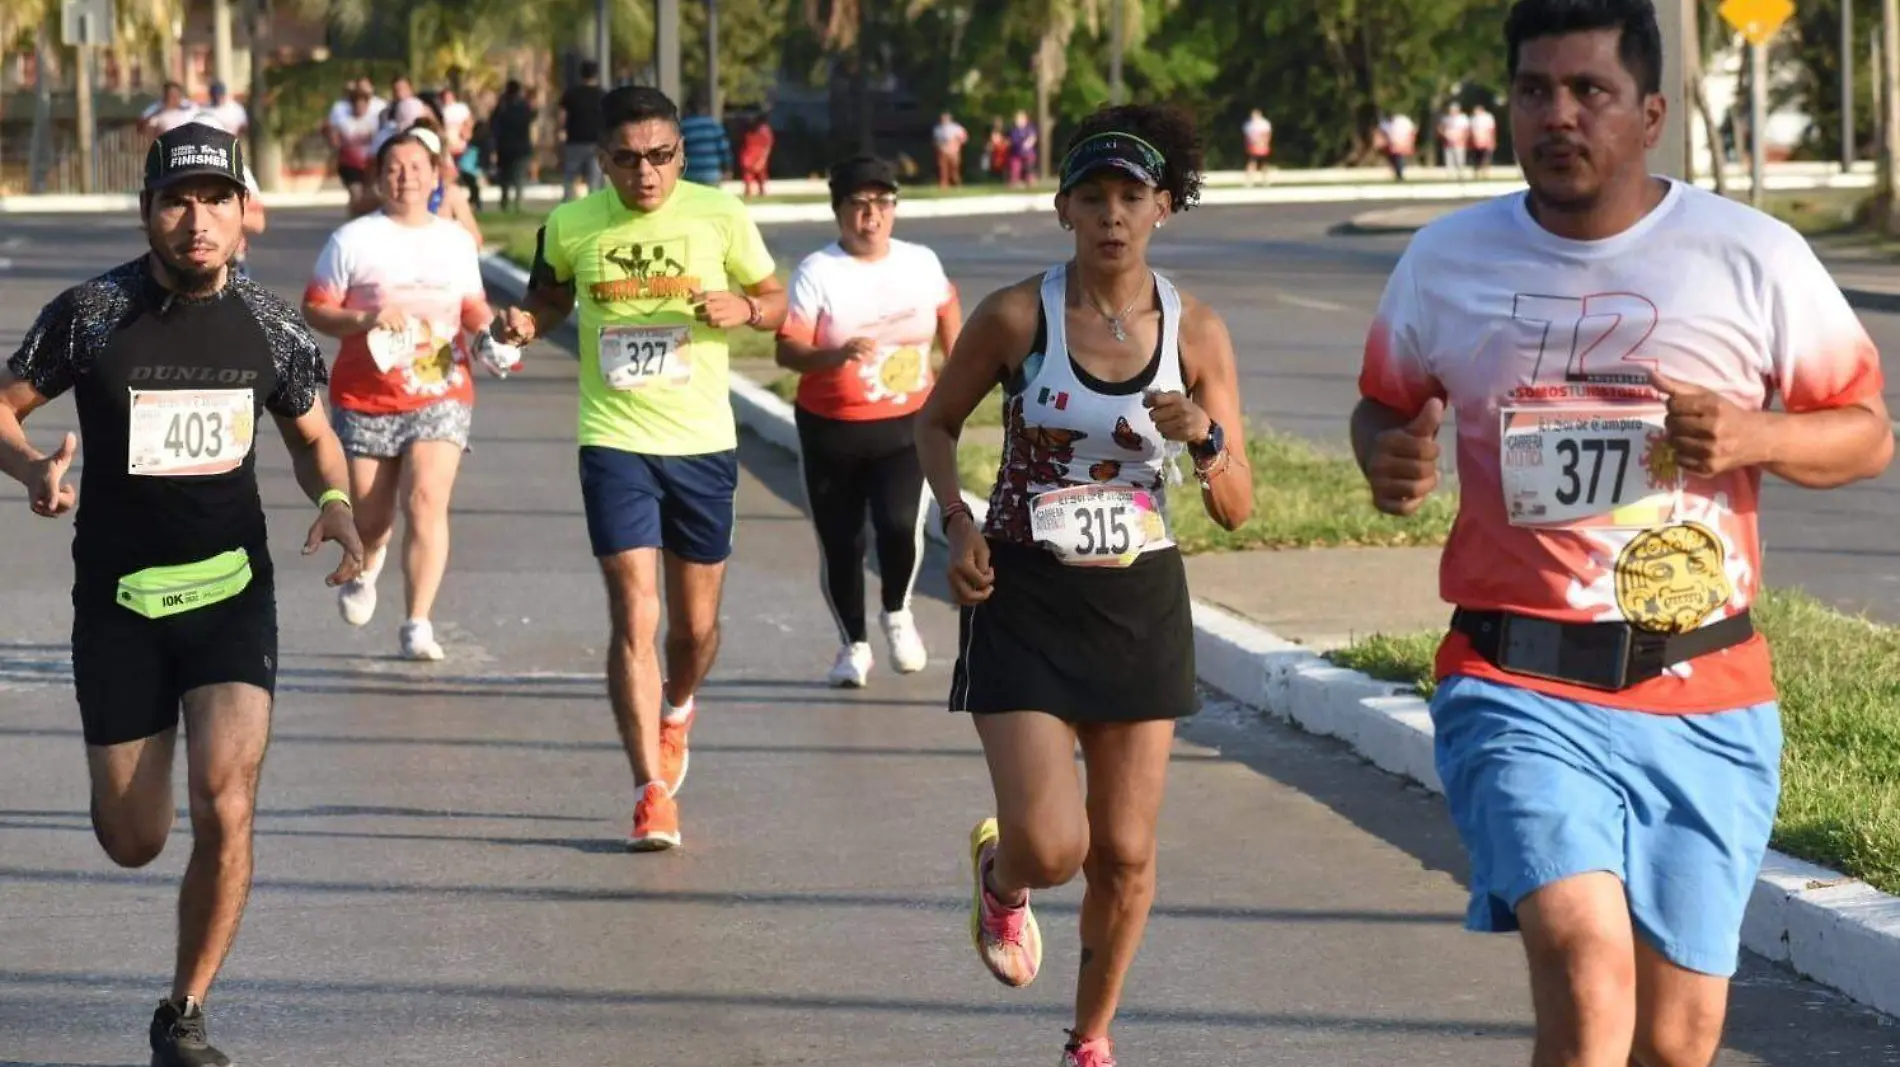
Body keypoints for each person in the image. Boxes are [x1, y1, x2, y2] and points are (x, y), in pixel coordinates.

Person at [1351, 2, 1893, 1066]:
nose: (1556, 116)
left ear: (1648, 113)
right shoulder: (1445, 258)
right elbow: (1384, 404)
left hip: (1707, 691)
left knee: (1677, 1041)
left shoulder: (1752, 256)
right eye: (1532, 91)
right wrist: (1387, 453)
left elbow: (1867, 435)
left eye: (1586, 92)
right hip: (1517, 681)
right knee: (1588, 966)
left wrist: (1753, 433)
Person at [0, 122, 363, 1067]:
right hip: (118, 604)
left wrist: (335, 501)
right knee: (132, 836)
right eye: (175, 200)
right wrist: (33, 466)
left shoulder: (269, 324)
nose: (195, 220)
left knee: (226, 800)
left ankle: (185, 1011)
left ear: (245, 213)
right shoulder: (90, 314)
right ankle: (139, 823)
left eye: (214, 200)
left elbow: (315, 440)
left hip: (231, 598)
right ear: (149, 213)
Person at [917, 104, 1253, 1067]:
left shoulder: (1198, 332)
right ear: (1063, 207)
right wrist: (956, 518)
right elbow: (934, 423)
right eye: (1094, 197)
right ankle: (1003, 873)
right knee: (1055, 846)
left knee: (1129, 854)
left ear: (1163, 210)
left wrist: (1208, 437)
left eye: (1133, 198)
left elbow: (1237, 507)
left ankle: (1090, 1041)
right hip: (1022, 594)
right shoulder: (1020, 314)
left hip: (1140, 603)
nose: (1114, 216)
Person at [490, 85, 787, 851]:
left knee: (692, 630)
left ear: (681, 155)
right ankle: (649, 790)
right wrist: (524, 322)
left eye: (660, 157)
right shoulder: (573, 224)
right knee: (636, 614)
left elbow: (777, 300)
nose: (646, 173)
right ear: (604, 161)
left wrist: (745, 311)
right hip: (613, 436)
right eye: (628, 159)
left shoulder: (720, 215)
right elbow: (548, 297)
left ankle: (678, 705)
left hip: (701, 443)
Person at [304, 127, 512, 662]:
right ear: (377, 177)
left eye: (417, 167)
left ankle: (418, 621)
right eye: (394, 168)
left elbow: (471, 307)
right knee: (371, 519)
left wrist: (493, 338)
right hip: (366, 393)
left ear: (436, 175)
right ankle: (368, 565)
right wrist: (365, 317)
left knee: (425, 500)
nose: (405, 177)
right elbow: (316, 308)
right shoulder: (352, 240)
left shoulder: (454, 241)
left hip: (440, 388)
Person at [777, 156, 961, 687]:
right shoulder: (819, 272)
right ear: (839, 213)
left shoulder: (920, 262)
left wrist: (961, 371)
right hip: (831, 426)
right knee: (842, 540)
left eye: (882, 204)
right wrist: (831, 358)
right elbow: (788, 350)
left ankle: (896, 612)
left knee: (900, 525)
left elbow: (948, 312)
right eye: (858, 205)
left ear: (895, 210)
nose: (871, 216)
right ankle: (852, 646)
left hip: (909, 424)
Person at [560, 60, 606, 200]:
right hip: (596, 142)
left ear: (580, 75)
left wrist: (561, 132)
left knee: (570, 177)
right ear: (596, 75)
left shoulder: (571, 94)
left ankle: (567, 205)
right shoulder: (602, 95)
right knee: (594, 179)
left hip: (574, 141)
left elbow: (562, 116)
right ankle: (594, 208)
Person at [491, 80, 537, 213]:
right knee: (519, 176)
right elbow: (531, 117)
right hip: (521, 146)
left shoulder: (502, 105)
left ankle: (504, 201)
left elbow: (493, 124)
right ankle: (518, 201)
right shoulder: (523, 106)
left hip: (504, 145)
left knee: (504, 176)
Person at [680, 95, 733, 186]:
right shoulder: (714, 125)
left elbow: (680, 151)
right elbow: (724, 150)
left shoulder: (684, 126)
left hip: (691, 174)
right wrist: (727, 169)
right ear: (705, 108)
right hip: (711, 174)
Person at [739, 113, 775, 198]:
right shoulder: (747, 131)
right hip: (748, 154)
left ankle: (761, 191)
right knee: (748, 175)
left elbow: (768, 145)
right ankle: (748, 192)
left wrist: (763, 159)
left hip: (759, 154)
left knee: (761, 176)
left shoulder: (764, 130)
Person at [934, 111, 969, 187]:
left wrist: (957, 145)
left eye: (945, 118)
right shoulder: (937, 129)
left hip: (954, 151)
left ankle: (956, 183)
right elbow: (935, 141)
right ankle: (944, 184)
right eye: (942, 118)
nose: (944, 119)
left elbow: (964, 138)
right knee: (943, 169)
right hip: (942, 151)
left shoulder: (956, 128)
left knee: (954, 168)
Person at [1242, 108, 1272, 186]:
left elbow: (1267, 135)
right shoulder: (1248, 125)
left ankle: (1266, 181)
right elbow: (1247, 137)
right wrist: (1248, 146)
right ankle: (1249, 181)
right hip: (1252, 147)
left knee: (1264, 164)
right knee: (1251, 163)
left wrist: (1264, 144)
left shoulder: (1264, 123)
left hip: (1262, 146)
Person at [1470, 103, 1499, 177]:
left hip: (1486, 140)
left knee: (1486, 156)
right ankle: (1477, 172)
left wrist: (1491, 141)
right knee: (1477, 157)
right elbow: (1472, 131)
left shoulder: (1488, 117)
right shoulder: (1473, 118)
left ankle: (1485, 172)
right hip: (1476, 142)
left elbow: (1491, 130)